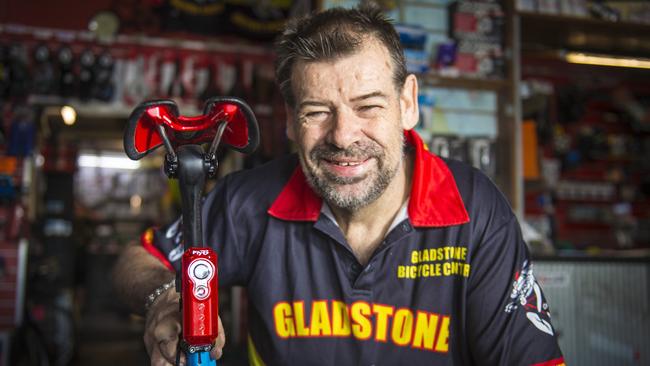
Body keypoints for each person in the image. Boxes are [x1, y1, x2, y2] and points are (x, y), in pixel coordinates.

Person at [113, 5, 565, 366]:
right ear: (290, 121)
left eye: (368, 106)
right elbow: (138, 259)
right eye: (317, 111)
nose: (344, 135)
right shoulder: (251, 200)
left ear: (407, 103)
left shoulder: (475, 211)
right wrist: (165, 299)